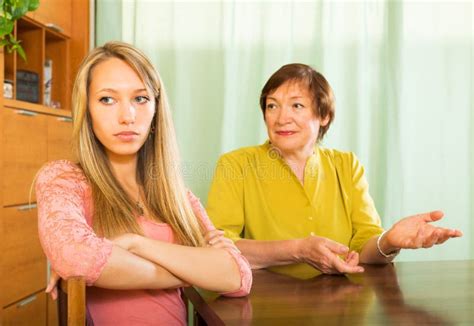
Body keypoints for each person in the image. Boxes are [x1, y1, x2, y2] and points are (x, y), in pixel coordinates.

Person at [35, 41, 252, 325]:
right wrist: (193, 269)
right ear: (86, 111)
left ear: (155, 111)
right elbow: (76, 257)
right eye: (107, 100)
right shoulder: (64, 180)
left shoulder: (178, 197)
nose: (127, 117)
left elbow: (238, 276)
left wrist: (135, 245)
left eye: (140, 99)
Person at [206, 63, 462, 277]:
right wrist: (298, 249)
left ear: (324, 115)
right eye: (272, 106)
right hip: (263, 302)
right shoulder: (235, 164)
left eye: (296, 106)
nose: (281, 118)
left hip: (341, 304)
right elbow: (220, 246)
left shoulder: (346, 165)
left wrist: (389, 241)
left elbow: (364, 245)